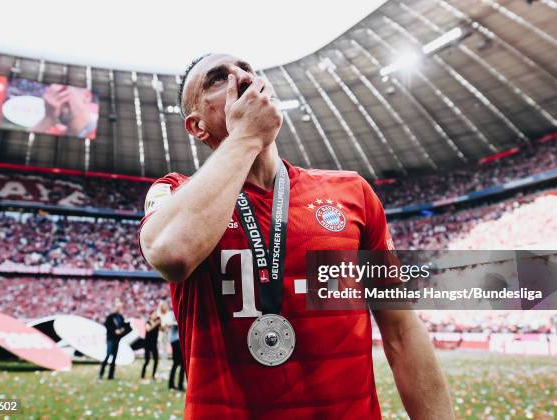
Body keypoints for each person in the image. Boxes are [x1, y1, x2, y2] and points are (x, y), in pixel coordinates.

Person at [139, 54, 454, 418]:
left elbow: (401, 332)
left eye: (247, 69)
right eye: (216, 79)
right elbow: (171, 255)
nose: (241, 77)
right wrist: (245, 136)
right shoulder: (175, 194)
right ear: (196, 127)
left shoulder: (352, 192)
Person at [99, 299, 125, 380]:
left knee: (114, 357)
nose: (119, 309)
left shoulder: (121, 317)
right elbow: (107, 326)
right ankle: (101, 373)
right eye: (118, 307)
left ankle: (111, 375)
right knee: (108, 355)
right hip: (110, 339)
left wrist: (121, 330)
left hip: (117, 339)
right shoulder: (110, 317)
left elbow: (124, 326)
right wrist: (114, 331)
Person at [141, 311, 160, 380]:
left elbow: (162, 329)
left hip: (154, 344)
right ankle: (142, 376)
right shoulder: (148, 322)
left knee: (156, 360)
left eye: (156, 314)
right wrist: (156, 324)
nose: (155, 315)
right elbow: (148, 329)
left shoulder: (158, 323)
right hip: (147, 344)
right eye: (154, 314)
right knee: (147, 360)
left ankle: (153, 375)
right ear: (150, 315)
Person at [168, 322, 185, 391]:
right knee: (179, 364)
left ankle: (172, 384)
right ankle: (178, 385)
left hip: (176, 341)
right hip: (176, 341)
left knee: (178, 364)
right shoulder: (174, 315)